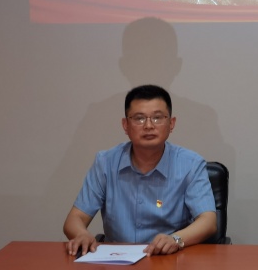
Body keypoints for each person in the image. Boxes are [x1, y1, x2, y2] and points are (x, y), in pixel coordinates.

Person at [63, 85, 217, 257]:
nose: (149, 126)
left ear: (171, 123)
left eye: (157, 118)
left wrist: (176, 239)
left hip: (168, 259)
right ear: (125, 125)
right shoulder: (105, 162)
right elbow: (74, 219)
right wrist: (82, 234)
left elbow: (208, 221)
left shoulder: (191, 164)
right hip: (116, 260)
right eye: (139, 118)